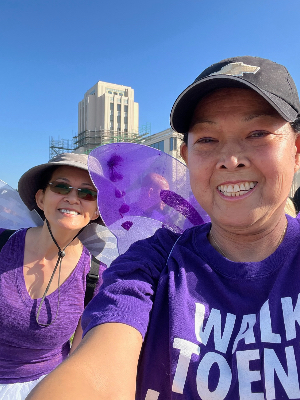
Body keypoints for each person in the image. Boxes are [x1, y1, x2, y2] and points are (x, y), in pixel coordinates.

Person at [28, 55, 300, 400]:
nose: (231, 159)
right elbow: (100, 363)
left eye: (258, 133)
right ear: (186, 158)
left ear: (295, 151)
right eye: (207, 139)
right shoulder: (152, 262)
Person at [0, 153, 110, 399]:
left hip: (44, 390)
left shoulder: (95, 276)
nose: (72, 198)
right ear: (40, 198)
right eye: (61, 186)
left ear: (95, 211)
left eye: (86, 193)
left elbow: (78, 359)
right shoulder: (2, 243)